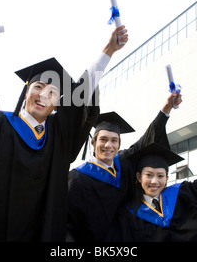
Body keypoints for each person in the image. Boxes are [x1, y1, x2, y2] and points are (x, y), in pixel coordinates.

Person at [0, 26, 129, 242]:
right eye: (38, 86)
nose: (43, 95)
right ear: (26, 90)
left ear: (58, 104)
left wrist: (108, 51)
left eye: (52, 92)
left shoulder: (58, 136)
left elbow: (82, 94)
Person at [67, 92, 182, 242]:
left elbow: (147, 139)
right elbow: (66, 223)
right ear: (93, 142)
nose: (109, 145)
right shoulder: (77, 178)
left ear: (119, 144)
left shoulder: (124, 162)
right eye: (103, 139)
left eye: (114, 140)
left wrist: (167, 108)